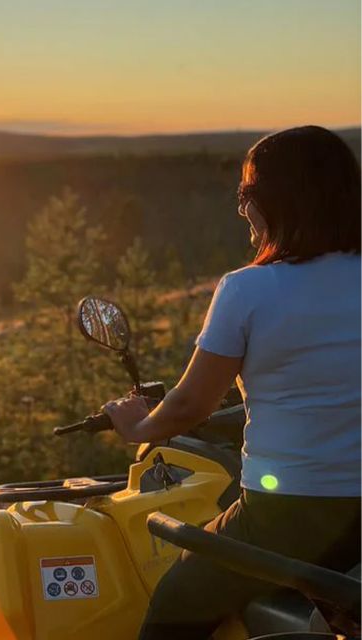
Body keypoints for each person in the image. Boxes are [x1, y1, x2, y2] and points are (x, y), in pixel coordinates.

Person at [103, 125, 361, 640]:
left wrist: (136, 427)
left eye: (247, 197)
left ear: (276, 203)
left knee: (175, 604)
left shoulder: (248, 289)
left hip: (287, 514)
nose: (243, 210)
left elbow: (188, 406)